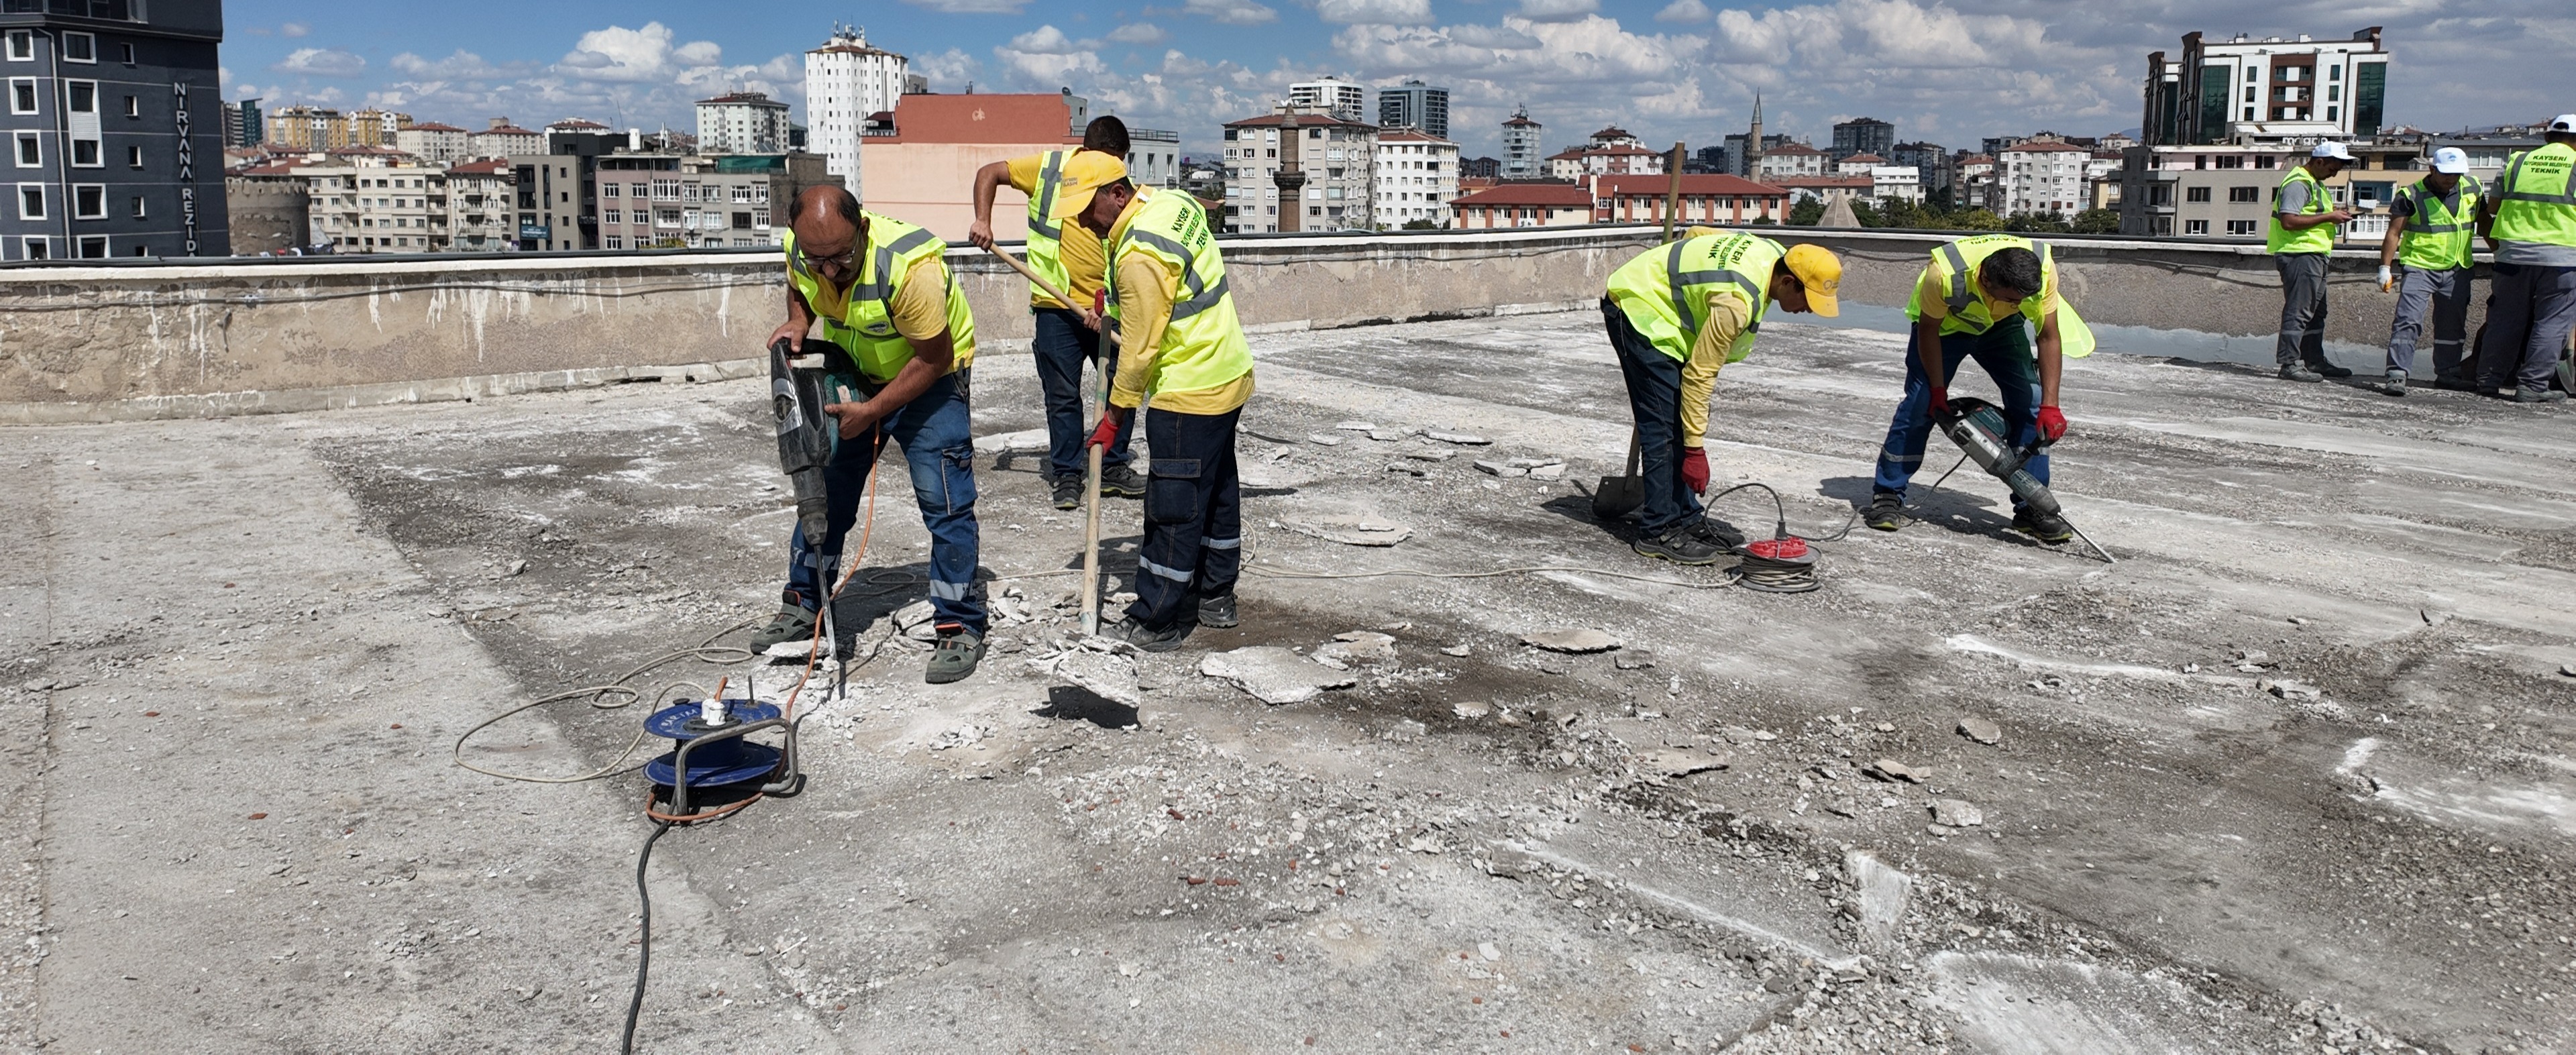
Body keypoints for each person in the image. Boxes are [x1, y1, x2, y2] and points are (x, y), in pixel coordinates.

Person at [751, 186, 989, 685]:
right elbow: (798, 279)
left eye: (841, 257)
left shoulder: (908, 269)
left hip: (931, 379)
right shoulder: (805, 250)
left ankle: (959, 623)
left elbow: (934, 358)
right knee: (824, 493)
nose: (830, 270)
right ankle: (803, 604)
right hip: (857, 373)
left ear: (860, 229)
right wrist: (799, 317)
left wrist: (873, 412)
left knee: (945, 499)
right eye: (819, 260)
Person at [1069, 168, 1256, 651]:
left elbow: (1138, 352)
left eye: (1090, 212)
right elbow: (1168, 287)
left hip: (1188, 391)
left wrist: (1114, 419)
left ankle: (1156, 619)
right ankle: (1215, 597)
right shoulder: (1174, 204)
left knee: (1174, 507)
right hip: (1228, 372)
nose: (1086, 224)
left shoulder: (1137, 254)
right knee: (1215, 491)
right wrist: (1115, 299)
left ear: (1116, 194)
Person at [1601, 230, 1843, 563]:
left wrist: (1682, 280)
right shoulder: (1736, 301)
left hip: (1664, 310)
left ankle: (1684, 517)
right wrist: (1696, 451)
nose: (1809, 310)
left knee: (1676, 422)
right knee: (1663, 428)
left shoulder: (1771, 252)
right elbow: (1699, 377)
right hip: (1640, 312)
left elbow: (1700, 234)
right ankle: (1658, 530)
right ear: (1788, 282)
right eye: (1808, 301)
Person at [1864, 233, 2096, 543]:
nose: (2019, 304)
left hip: (2001, 328)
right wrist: (1937, 391)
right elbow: (1929, 330)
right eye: (2012, 299)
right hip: (1946, 328)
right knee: (1920, 405)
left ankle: (2032, 508)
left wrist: (2051, 406)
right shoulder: (1944, 275)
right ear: (1984, 279)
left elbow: (2048, 335)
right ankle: (1888, 494)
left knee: (2031, 405)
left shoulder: (2042, 269)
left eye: (2021, 300)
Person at [967, 118, 1150, 507]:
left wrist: (1111, 309)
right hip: (1057, 306)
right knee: (1063, 395)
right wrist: (983, 221)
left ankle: (1112, 466)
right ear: (1096, 153)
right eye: (1113, 161)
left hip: (1110, 309)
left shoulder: (1121, 189)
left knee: (1124, 386)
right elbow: (989, 173)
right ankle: (1067, 474)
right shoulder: (1050, 169)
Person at [2473, 114, 2576, 404]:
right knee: (2552, 322)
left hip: (2513, 254)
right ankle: (2532, 386)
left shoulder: (2517, 161)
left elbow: (2492, 207)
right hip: (2563, 257)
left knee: (2505, 319)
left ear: (2546, 137)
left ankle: (2488, 380)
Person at [2374, 147, 2483, 396]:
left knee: (2452, 327)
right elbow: (2394, 233)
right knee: (2408, 321)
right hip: (2420, 267)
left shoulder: (2473, 189)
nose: (2451, 179)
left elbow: (2484, 221)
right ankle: (2397, 374)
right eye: (2446, 173)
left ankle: (2448, 374)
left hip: (2457, 268)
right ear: (2432, 169)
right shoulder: (2411, 195)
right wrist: (2385, 268)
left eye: (2456, 174)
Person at [2269, 142, 2359, 383]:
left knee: (2316, 312)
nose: (2334, 174)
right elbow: (2288, 221)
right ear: (2319, 162)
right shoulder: (2298, 183)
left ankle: (2314, 360)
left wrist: (2333, 215)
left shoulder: (2314, 184)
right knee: (2299, 310)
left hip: (2314, 254)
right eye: (2332, 168)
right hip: (2299, 254)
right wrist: (2330, 216)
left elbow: (2309, 215)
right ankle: (2289, 363)